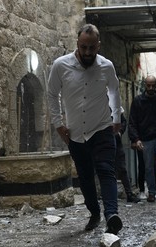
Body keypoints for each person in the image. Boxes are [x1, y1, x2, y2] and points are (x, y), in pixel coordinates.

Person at [47, 24, 123, 234]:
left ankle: (111, 215)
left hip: (102, 127)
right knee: (85, 176)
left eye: (92, 47)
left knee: (106, 170)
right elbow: (52, 94)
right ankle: (94, 213)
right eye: (83, 47)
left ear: (98, 45)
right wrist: (58, 124)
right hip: (75, 133)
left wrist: (116, 117)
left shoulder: (106, 66)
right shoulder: (60, 66)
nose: (88, 52)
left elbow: (114, 90)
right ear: (77, 45)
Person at [116, 114, 140, 203]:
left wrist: (120, 132)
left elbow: (123, 121)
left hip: (115, 141)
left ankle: (129, 193)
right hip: (103, 142)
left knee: (122, 169)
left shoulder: (113, 104)